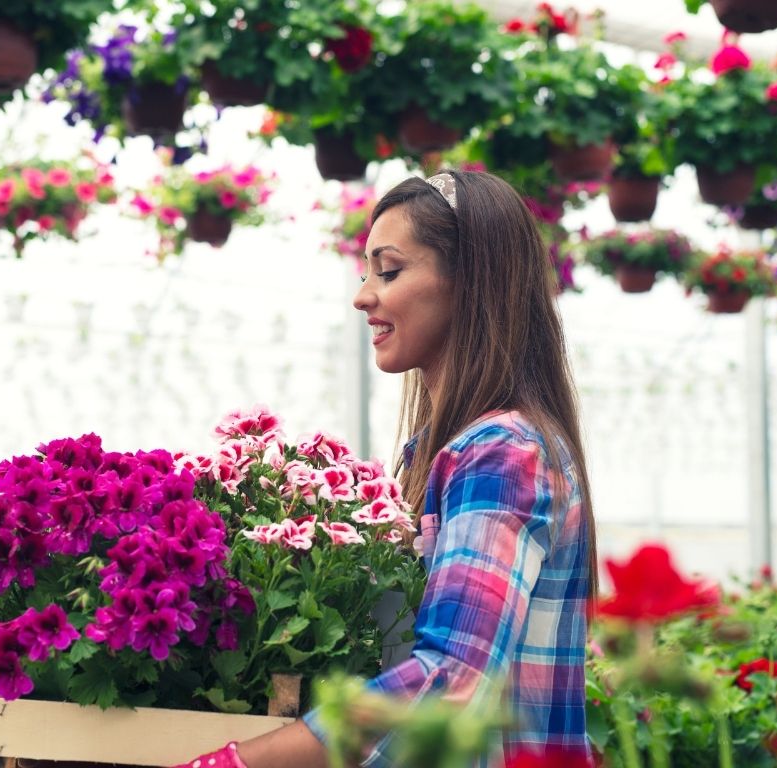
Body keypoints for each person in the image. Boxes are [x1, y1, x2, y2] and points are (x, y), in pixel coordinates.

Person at [173, 169, 598, 768]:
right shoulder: (446, 450)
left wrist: (237, 763)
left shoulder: (503, 452)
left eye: (390, 270)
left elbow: (447, 681)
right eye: (366, 271)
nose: (363, 295)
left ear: (471, 281)